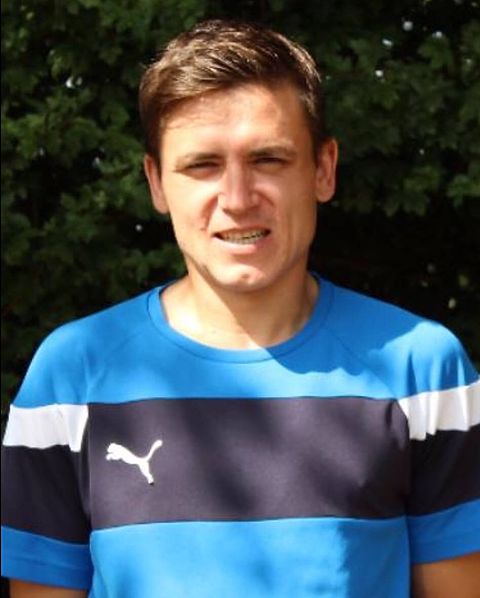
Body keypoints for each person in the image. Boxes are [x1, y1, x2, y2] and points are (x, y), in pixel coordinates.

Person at [1, 19, 479, 598]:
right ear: (156, 182)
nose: (237, 198)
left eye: (269, 159)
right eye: (202, 165)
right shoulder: (71, 375)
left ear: (323, 169)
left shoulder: (423, 371)